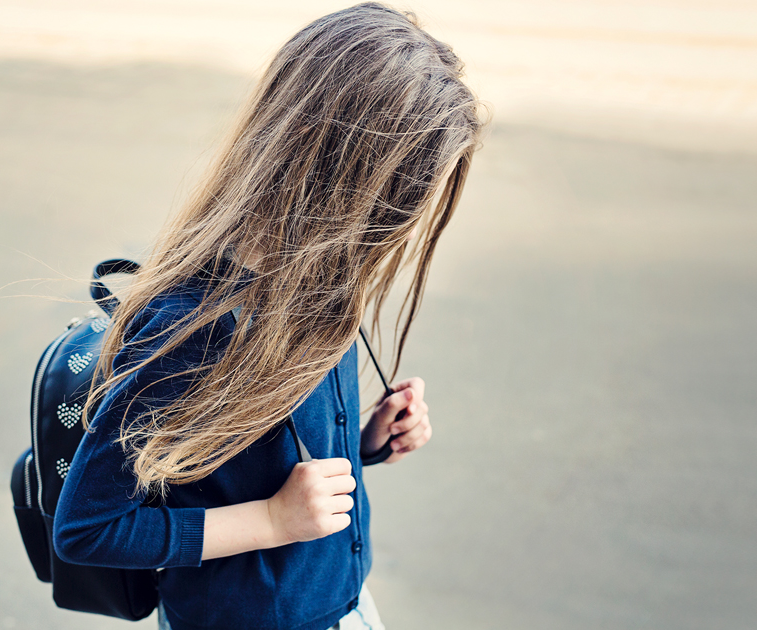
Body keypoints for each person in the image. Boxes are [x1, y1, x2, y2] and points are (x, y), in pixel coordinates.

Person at [51, 3, 483, 629]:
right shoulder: (193, 326)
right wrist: (274, 520)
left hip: (345, 605)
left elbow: (255, 457)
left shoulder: (323, 282)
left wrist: (366, 443)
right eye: (405, 199)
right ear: (353, 187)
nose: (404, 226)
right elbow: (88, 529)